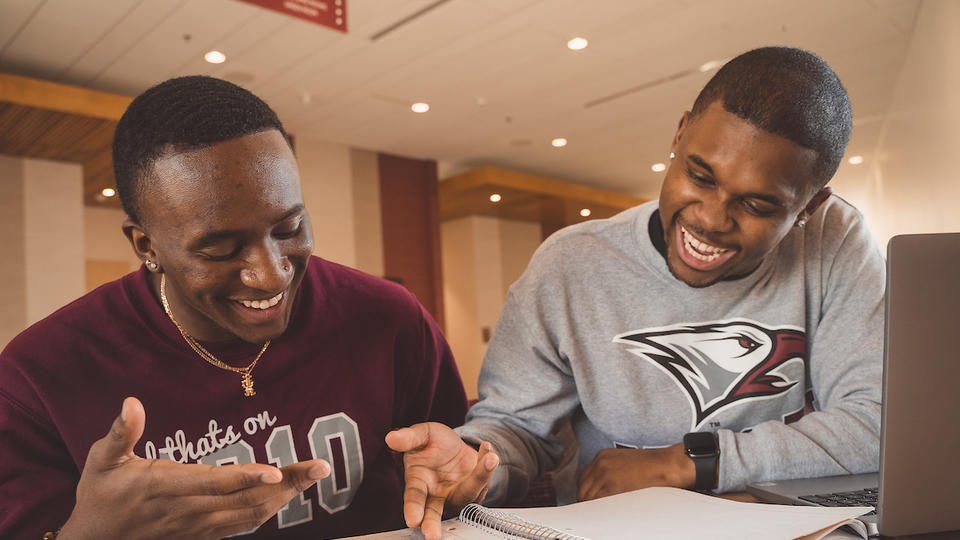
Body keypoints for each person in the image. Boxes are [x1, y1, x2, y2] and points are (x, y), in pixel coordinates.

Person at [387, 46, 884, 539]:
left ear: (810, 206)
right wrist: (474, 461)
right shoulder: (569, 264)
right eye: (699, 175)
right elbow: (515, 430)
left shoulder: (833, 239)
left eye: (756, 204)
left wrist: (686, 464)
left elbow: (879, 424)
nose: (710, 219)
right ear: (680, 132)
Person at [0, 76, 468, 539]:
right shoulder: (38, 377)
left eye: (289, 229)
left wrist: (468, 475)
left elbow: (462, 475)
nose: (270, 275)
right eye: (219, 249)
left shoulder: (386, 318)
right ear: (147, 246)